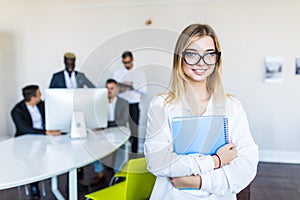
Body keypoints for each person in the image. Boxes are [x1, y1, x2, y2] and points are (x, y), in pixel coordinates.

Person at [144, 24, 259, 199]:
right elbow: (157, 163)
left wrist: (198, 182)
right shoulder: (161, 105)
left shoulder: (232, 106)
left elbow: (246, 166)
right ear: (179, 58)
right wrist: (215, 161)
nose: (201, 62)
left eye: (209, 54)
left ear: (216, 59)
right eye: (192, 54)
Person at [49, 52, 95, 182]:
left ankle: (79, 177)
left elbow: (92, 89)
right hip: (63, 114)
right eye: (68, 63)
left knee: (80, 144)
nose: (71, 66)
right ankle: (67, 173)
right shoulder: (56, 77)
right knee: (66, 145)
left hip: (79, 113)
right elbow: (51, 95)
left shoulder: (80, 76)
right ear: (64, 63)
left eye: (72, 63)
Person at [11, 85, 61, 199]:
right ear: (33, 97)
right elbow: (25, 129)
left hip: (44, 138)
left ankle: (59, 183)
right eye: (39, 94)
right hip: (26, 142)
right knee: (33, 160)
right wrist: (46, 132)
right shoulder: (16, 111)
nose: (41, 96)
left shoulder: (41, 105)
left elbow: (51, 116)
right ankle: (34, 187)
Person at [90, 78, 129, 186]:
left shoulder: (124, 103)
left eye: (112, 88)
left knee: (122, 147)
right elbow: (95, 118)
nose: (109, 91)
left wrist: (106, 124)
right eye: (107, 89)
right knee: (92, 145)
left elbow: (123, 121)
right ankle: (100, 173)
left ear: (116, 89)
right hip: (103, 132)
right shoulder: (99, 102)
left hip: (118, 131)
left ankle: (117, 174)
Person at [113, 51, 147, 153]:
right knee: (119, 130)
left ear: (132, 60)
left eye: (128, 62)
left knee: (134, 131)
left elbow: (144, 90)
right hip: (121, 104)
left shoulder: (139, 73)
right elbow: (114, 89)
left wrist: (132, 85)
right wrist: (122, 87)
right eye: (124, 62)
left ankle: (134, 155)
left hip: (134, 105)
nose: (127, 64)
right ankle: (119, 156)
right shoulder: (117, 73)